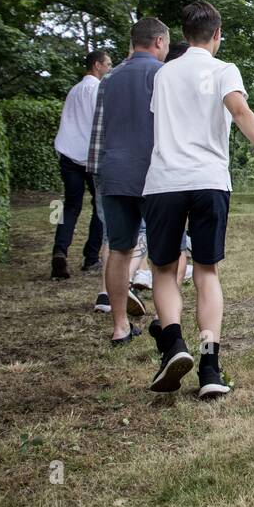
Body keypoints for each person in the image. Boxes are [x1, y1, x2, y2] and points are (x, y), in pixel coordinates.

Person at [141, 1, 254, 398]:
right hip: (208, 180)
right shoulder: (224, 70)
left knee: (164, 269)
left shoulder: (164, 73)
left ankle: (172, 344)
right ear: (217, 34)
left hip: (164, 182)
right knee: (206, 272)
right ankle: (209, 367)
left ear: (184, 34)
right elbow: (239, 111)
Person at [86, 18, 169, 345]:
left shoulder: (109, 79)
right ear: (159, 42)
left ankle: (120, 326)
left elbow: (99, 131)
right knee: (167, 251)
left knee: (119, 249)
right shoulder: (162, 75)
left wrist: (97, 173)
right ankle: (166, 319)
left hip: (113, 172)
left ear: (133, 41)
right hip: (155, 174)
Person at [52, 50, 111, 282]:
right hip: (89, 155)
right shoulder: (97, 89)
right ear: (97, 65)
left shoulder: (74, 90)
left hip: (67, 153)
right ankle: (91, 256)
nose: (109, 68)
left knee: (69, 206)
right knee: (100, 207)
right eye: (107, 64)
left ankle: (59, 250)